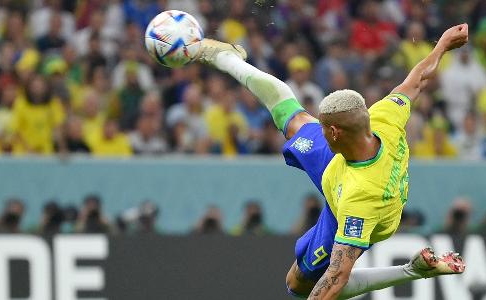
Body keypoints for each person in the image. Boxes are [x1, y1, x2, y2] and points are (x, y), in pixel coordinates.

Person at [193, 23, 469, 299]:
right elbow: (417, 80)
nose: (318, 129)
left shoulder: (358, 203)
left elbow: (336, 278)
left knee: (298, 285)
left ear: (334, 132)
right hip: (343, 162)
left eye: (323, 126)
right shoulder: (385, 117)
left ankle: (411, 270)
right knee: (293, 117)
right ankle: (226, 58)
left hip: (355, 205)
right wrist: (442, 45)